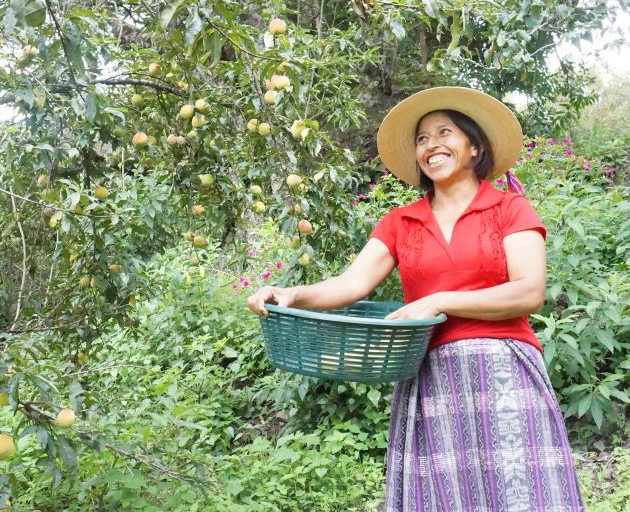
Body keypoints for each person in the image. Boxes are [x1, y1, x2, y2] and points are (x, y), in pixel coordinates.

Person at [246, 86, 585, 511]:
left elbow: (529, 291)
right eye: (422, 138)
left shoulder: (509, 209)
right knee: (443, 498)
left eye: (444, 133)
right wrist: (290, 293)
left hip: (504, 373)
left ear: (474, 145)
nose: (431, 145)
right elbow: (350, 284)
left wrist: (441, 300)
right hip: (430, 376)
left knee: (522, 493)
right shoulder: (401, 222)